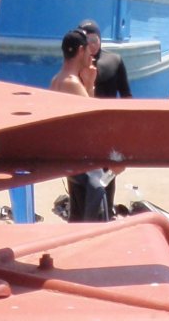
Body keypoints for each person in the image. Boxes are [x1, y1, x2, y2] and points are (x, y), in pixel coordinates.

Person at [50, 28, 112, 222]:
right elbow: (93, 121)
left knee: (77, 216)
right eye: (87, 49)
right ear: (80, 50)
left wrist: (89, 84)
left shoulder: (57, 80)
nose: (91, 54)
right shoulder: (72, 83)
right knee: (94, 217)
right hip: (85, 164)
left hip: (72, 162)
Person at [78, 19, 130, 212]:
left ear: (100, 39)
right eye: (86, 40)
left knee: (109, 175)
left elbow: (127, 96)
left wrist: (127, 131)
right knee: (82, 177)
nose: (91, 44)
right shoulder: (75, 64)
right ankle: (80, 216)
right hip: (84, 131)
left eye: (94, 39)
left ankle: (108, 212)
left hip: (109, 129)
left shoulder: (114, 60)